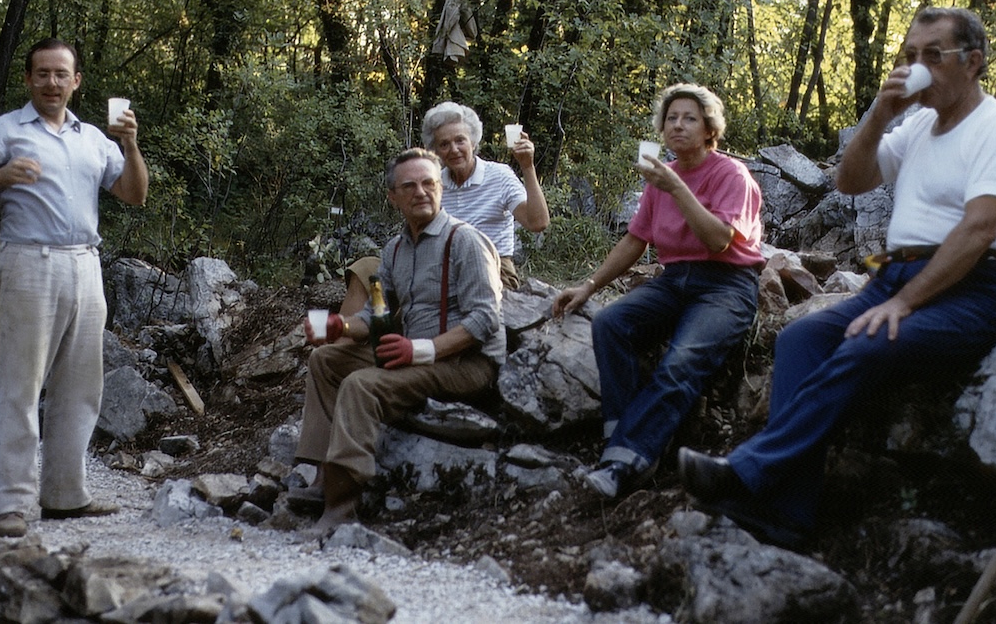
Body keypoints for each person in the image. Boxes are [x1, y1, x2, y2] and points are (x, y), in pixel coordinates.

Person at [678, 7, 996, 549]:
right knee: (801, 337)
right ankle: (789, 514)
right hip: (897, 277)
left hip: (980, 287)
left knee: (871, 338)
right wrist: (879, 112)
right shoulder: (917, 125)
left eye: (933, 56)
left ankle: (746, 472)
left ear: (973, 63)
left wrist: (904, 304)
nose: (918, 67)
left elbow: (979, 229)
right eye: (911, 56)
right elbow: (849, 181)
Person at [0, 38, 149, 538]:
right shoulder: (5, 130)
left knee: (81, 388)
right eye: (43, 74)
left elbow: (134, 194)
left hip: (86, 264)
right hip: (28, 261)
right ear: (28, 79)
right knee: (19, 385)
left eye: (61, 74)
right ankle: (11, 504)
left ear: (76, 81)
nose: (52, 83)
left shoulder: (92, 138)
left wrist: (131, 144)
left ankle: (64, 495)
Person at [552, 83, 764, 499]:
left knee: (680, 361)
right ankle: (622, 436)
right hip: (675, 280)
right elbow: (635, 240)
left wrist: (676, 188)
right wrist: (590, 284)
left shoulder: (730, 174)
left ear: (709, 129)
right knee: (611, 322)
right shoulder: (661, 178)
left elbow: (718, 240)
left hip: (726, 285)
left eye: (690, 118)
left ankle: (625, 464)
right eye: (672, 118)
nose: (678, 125)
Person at [295, 148, 506, 534]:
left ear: (441, 188)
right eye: (409, 186)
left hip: (467, 365)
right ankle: (323, 477)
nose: (421, 192)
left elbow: (485, 319)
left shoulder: (466, 242)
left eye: (429, 183)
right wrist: (339, 327)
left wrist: (418, 350)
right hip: (418, 358)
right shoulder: (394, 250)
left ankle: (342, 505)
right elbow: (378, 315)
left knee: (362, 384)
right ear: (393, 196)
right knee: (325, 360)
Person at [336, 101, 549, 315]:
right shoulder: (430, 183)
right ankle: (342, 336)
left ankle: (397, 327)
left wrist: (527, 166)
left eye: (460, 141)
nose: (454, 149)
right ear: (434, 151)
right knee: (366, 269)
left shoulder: (499, 176)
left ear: (473, 142)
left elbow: (537, 223)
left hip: (490, 270)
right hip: (436, 265)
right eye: (444, 144)